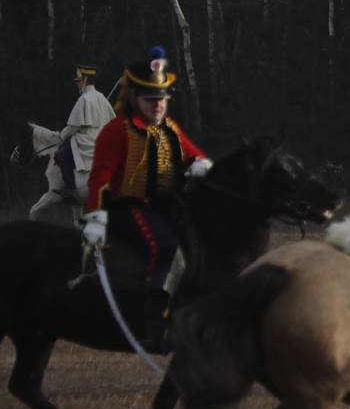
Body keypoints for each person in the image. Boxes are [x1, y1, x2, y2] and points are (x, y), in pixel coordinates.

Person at [82, 46, 213, 349]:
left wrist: (202, 169)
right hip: (126, 209)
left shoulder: (170, 129)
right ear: (134, 99)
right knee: (164, 246)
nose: (157, 105)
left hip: (166, 207)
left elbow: (196, 158)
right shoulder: (117, 131)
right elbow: (99, 177)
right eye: (150, 99)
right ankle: (155, 324)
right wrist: (95, 216)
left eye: (162, 99)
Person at [26, 65, 116, 219]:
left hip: (86, 138)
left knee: (60, 155)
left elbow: (73, 127)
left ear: (86, 80)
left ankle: (69, 189)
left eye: (79, 81)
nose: (77, 84)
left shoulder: (84, 99)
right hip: (102, 138)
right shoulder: (101, 98)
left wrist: (63, 134)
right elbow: (113, 120)